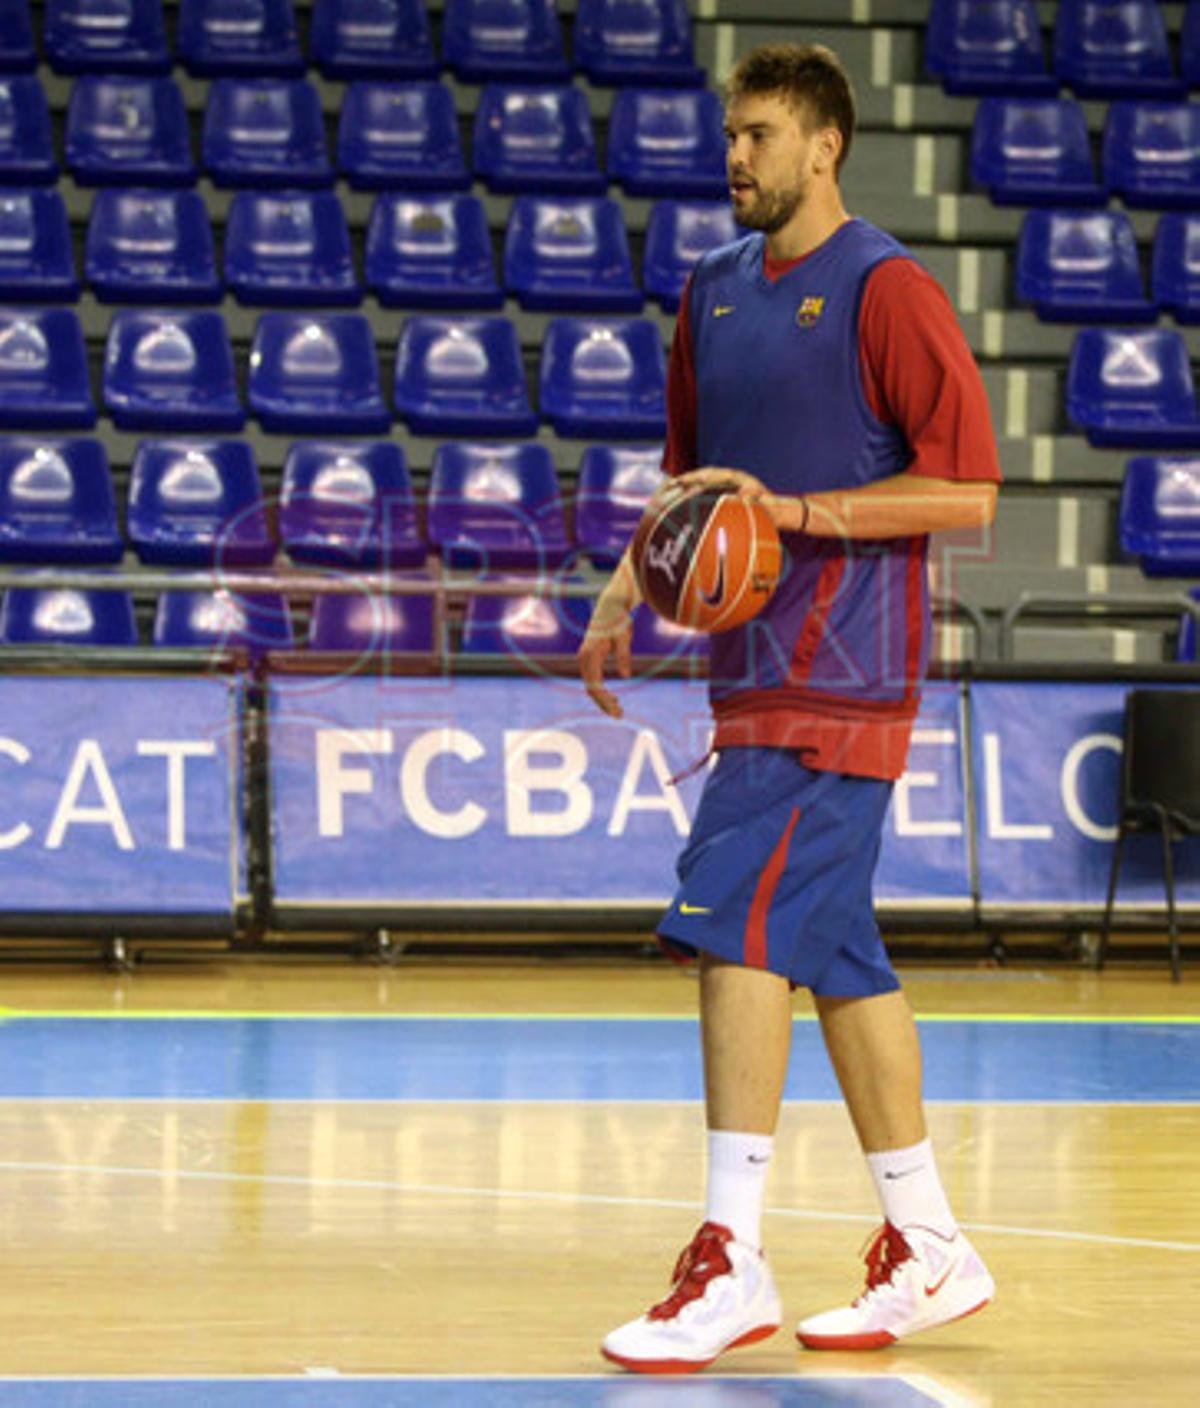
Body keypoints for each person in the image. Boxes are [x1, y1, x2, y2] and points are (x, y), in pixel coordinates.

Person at [577, 42, 1002, 1375]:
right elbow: (693, 487)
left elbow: (969, 490)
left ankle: (731, 1254)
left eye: (759, 134)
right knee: (834, 953)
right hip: (749, 672)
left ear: (826, 146)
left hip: (845, 675)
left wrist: (804, 513)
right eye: (730, 135)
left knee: (734, 927)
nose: (735, 157)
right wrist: (622, 589)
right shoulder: (709, 291)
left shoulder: (887, 289)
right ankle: (928, 1244)